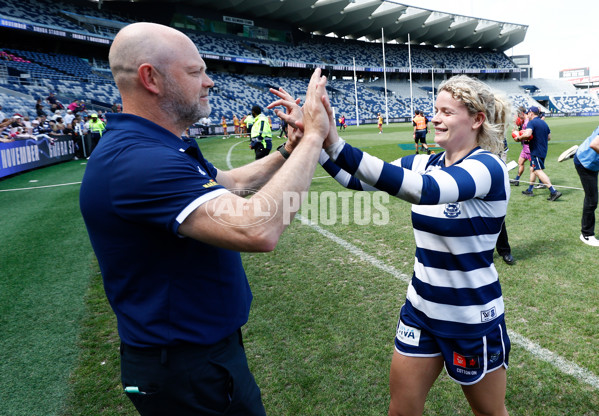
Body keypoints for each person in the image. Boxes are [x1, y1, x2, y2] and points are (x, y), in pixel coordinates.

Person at [79, 22, 330, 416]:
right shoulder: (140, 161)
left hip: (197, 356)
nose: (209, 82)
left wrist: (289, 150)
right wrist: (315, 137)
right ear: (151, 78)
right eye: (196, 72)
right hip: (184, 367)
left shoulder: (158, 146)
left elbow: (230, 183)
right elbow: (257, 228)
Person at [286, 75, 510, 415]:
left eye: (446, 112)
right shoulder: (427, 161)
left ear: (477, 119)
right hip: (420, 310)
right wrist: (312, 140)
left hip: (470, 317)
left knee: (489, 413)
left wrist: (332, 140)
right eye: (435, 109)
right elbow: (353, 180)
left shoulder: (487, 167)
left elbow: (423, 191)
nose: (434, 118)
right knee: (401, 409)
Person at [519, 106, 562, 201]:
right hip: (543, 150)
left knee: (537, 170)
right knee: (533, 169)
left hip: (536, 151)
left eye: (527, 113)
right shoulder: (544, 123)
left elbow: (527, 134)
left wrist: (519, 138)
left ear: (531, 113)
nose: (527, 115)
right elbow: (549, 137)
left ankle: (553, 191)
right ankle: (530, 190)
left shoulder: (532, 122)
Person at [574, 126, 599, 246]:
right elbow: (594, 144)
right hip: (585, 163)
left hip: (593, 161)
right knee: (592, 200)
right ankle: (586, 234)